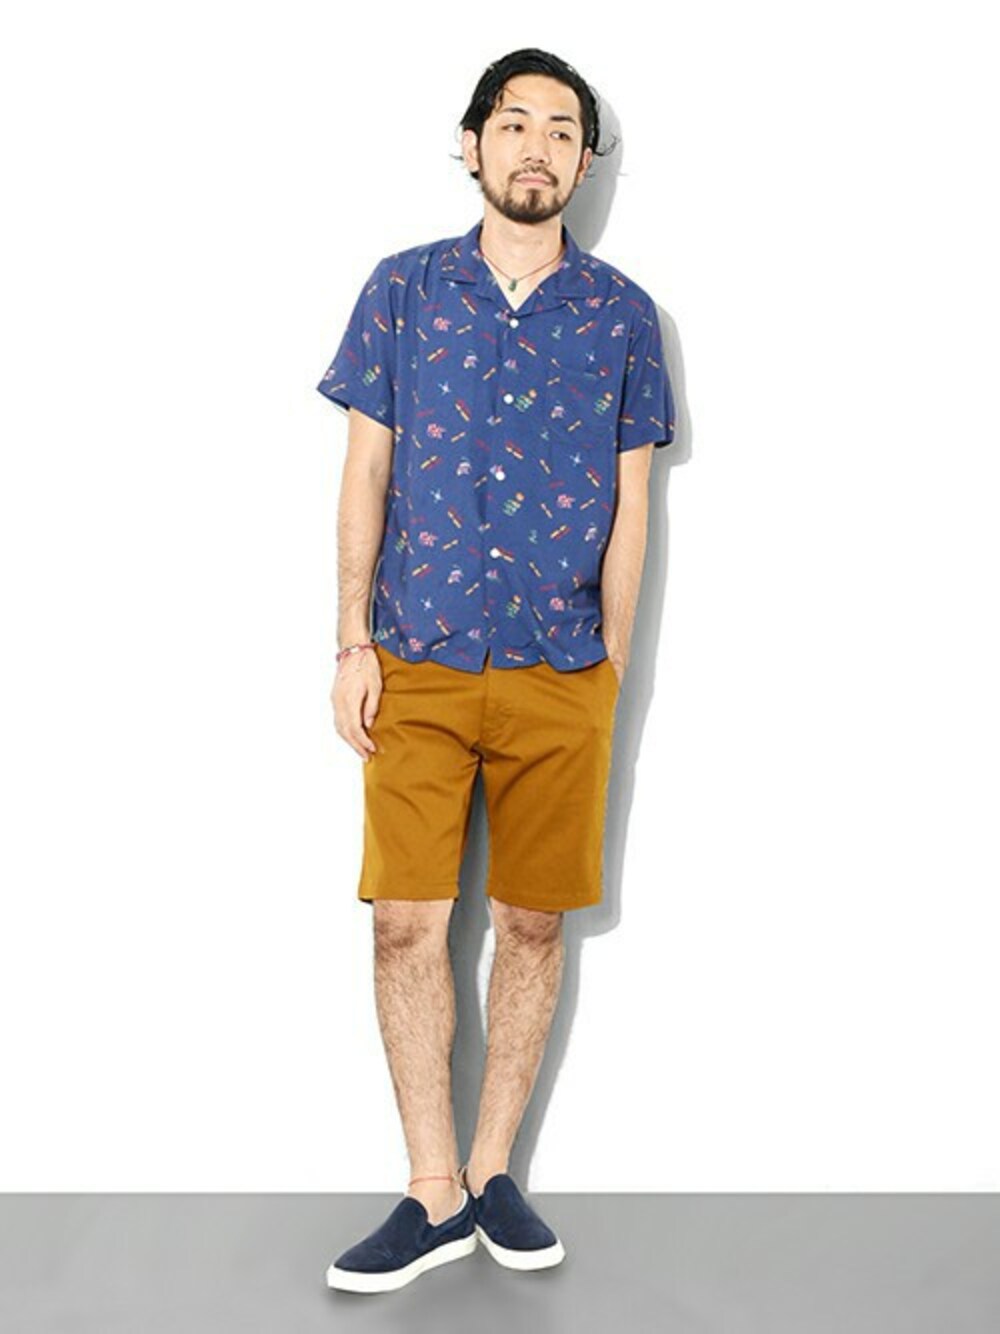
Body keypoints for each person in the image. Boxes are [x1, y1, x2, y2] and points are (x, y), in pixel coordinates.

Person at [316, 48, 675, 1294]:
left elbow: (633, 505)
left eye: (561, 130)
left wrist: (608, 668)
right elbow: (365, 471)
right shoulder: (402, 290)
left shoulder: (624, 316)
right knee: (404, 923)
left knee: (530, 922)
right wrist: (350, 639)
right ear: (472, 145)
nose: (536, 146)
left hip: (558, 669)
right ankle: (429, 1190)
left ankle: (490, 1173)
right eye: (513, 123)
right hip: (413, 658)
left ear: (584, 161)